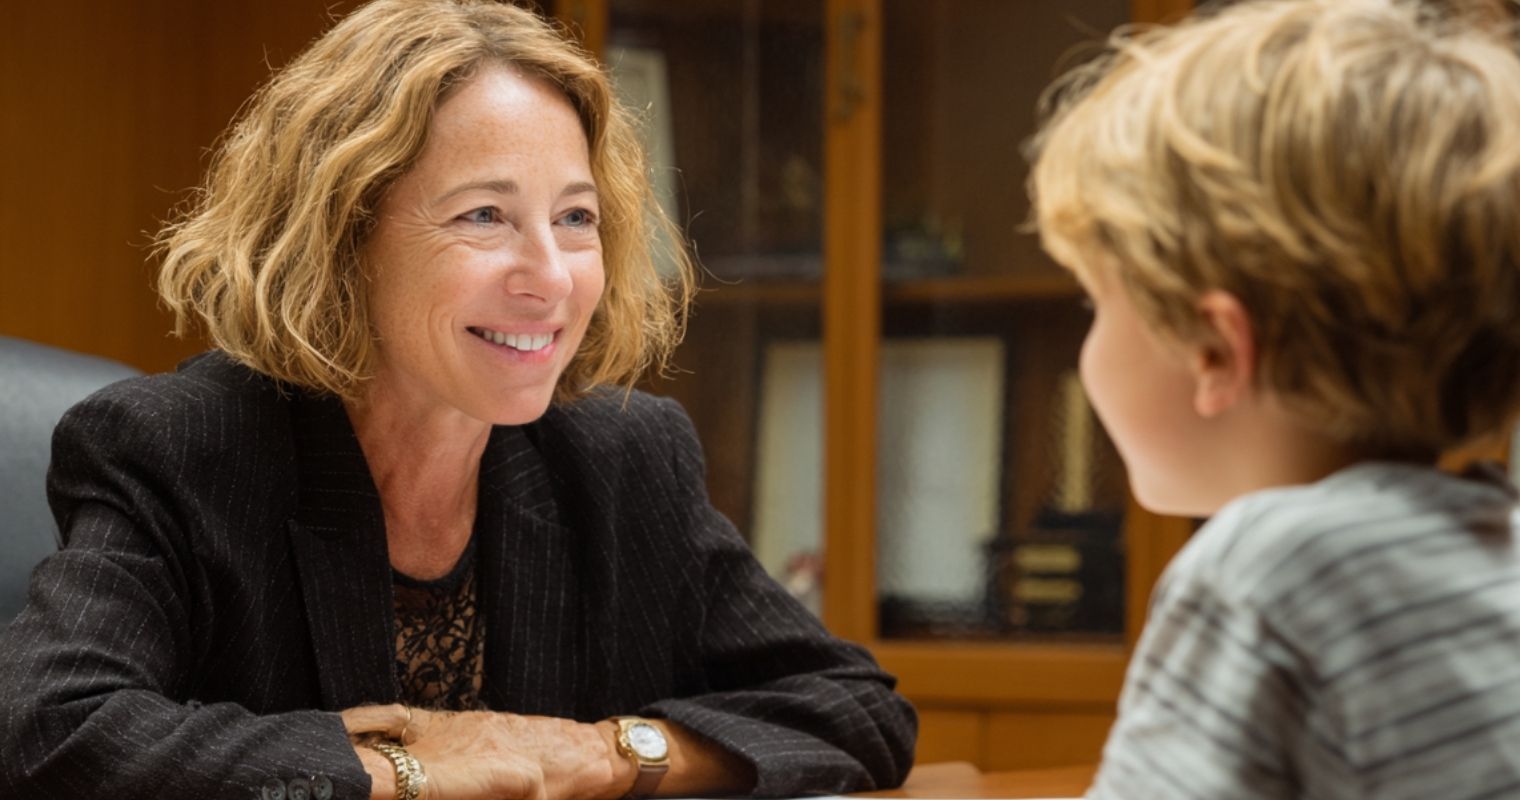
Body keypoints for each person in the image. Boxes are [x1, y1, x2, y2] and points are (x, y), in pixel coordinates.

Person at [0, 2, 916, 799]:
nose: (550, 277)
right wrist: (409, 770)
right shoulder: (179, 449)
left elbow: (855, 709)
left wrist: (605, 753)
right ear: (343, 235)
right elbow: (49, 733)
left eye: (576, 218)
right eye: (485, 215)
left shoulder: (623, 457)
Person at [1027, 0, 1520, 797]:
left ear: (1215, 350)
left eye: (1097, 302)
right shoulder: (1509, 558)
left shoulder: (1265, 567)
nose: (1089, 343)